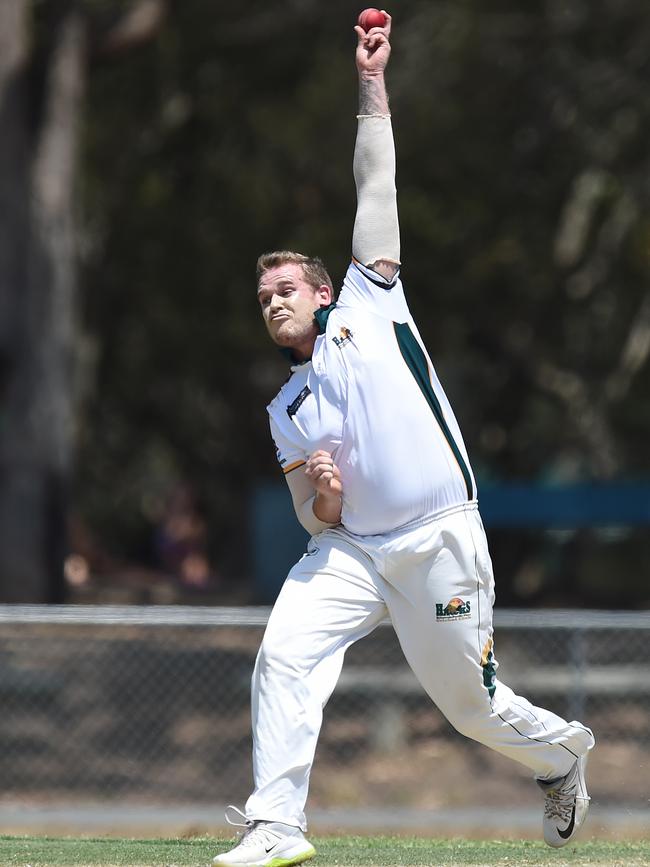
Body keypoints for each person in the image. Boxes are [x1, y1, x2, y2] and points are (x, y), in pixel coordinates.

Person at [212, 11, 595, 867]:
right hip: (352, 552)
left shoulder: (369, 299)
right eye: (263, 296)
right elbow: (314, 519)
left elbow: (375, 182)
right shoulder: (285, 408)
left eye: (285, 287)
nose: (273, 299)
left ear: (320, 289)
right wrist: (327, 497)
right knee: (283, 651)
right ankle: (278, 824)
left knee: (469, 707)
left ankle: (562, 755)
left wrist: (372, 82)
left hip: (437, 537)